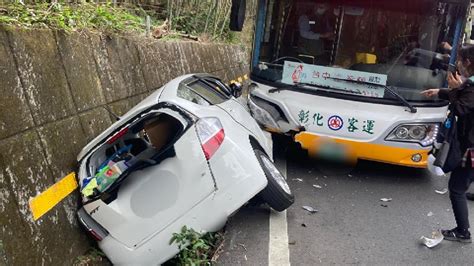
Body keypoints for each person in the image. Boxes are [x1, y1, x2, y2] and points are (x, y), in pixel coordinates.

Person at [422, 44, 474, 243]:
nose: (458, 63)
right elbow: (463, 95)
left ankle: (463, 232)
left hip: (470, 148)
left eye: (460, 59)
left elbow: (461, 107)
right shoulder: (469, 85)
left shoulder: (470, 87)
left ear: (467, 62)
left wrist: (452, 89)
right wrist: (441, 91)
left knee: (457, 188)